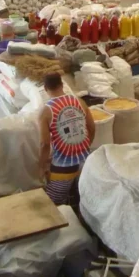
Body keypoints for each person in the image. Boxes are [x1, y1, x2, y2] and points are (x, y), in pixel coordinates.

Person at [39, 73, 95, 206]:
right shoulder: (80, 102)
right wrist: (85, 147)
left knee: (53, 205)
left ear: (45, 88)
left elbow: (45, 143)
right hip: (85, 162)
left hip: (63, 168)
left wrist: (41, 167)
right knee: (85, 196)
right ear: (62, 85)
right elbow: (92, 128)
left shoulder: (45, 112)